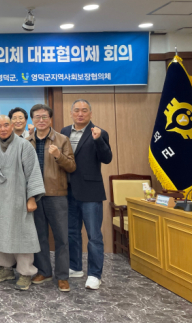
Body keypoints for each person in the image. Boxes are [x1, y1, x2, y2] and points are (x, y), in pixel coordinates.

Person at [0, 115, 46, 290]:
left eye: (6, 125)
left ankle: (25, 272)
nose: (3, 129)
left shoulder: (24, 145)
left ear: (12, 126)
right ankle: (5, 268)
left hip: (18, 194)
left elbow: (33, 172)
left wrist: (31, 198)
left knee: (22, 233)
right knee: (1, 231)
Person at [61, 99, 112, 290]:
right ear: (71, 113)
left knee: (94, 235)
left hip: (91, 191)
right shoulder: (64, 132)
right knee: (72, 232)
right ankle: (75, 267)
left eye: (84, 110)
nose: (80, 114)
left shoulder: (99, 132)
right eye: (76, 110)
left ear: (90, 113)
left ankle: (94, 274)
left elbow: (107, 158)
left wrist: (98, 140)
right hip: (68, 190)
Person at [26, 104, 76, 292]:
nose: (41, 120)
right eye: (37, 117)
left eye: (44, 117)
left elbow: (71, 166)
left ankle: (62, 276)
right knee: (39, 237)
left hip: (56, 195)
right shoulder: (26, 141)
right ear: (32, 119)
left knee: (62, 237)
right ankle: (44, 271)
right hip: (35, 196)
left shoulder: (62, 140)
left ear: (50, 119)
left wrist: (58, 156)